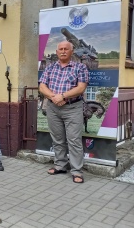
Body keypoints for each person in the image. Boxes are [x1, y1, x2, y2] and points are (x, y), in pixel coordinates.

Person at [39, 41, 89, 184]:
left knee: (74, 140)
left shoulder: (80, 67)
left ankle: (77, 171)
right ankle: (60, 165)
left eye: (66, 49)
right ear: (56, 52)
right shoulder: (50, 67)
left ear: (71, 51)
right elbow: (42, 86)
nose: (63, 51)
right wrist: (54, 97)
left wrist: (63, 96)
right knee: (57, 139)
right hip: (53, 108)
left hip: (73, 108)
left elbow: (81, 88)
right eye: (60, 49)